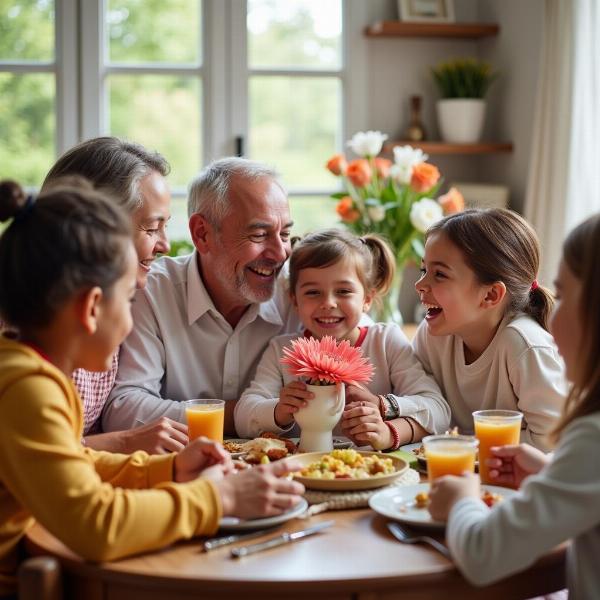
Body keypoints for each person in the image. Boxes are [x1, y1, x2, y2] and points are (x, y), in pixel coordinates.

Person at [0, 179, 304, 598]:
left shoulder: (29, 372)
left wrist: (169, 470)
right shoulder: (27, 389)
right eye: (127, 301)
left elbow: (77, 461)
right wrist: (218, 498)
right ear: (91, 308)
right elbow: (97, 525)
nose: (130, 321)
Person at [427, 213, 600, 599]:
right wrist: (552, 472)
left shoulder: (592, 439)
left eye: (566, 294)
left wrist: (462, 501)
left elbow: (482, 555)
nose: (551, 313)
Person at [103, 157, 298, 437]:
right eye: (258, 234)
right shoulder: (151, 290)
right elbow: (124, 411)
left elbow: (366, 345)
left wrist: (383, 407)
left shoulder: (303, 292)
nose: (280, 253)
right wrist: (252, 415)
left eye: (286, 233)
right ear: (202, 234)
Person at [234, 229, 450, 449]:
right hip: (302, 470)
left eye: (344, 291)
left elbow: (438, 410)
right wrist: (278, 410)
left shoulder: (385, 342)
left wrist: (384, 408)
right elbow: (242, 416)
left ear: (367, 299)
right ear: (294, 300)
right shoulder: (283, 350)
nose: (328, 303)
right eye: (312, 292)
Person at [42, 136, 188, 453]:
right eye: (152, 228)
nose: (164, 245)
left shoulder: (109, 306)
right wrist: (122, 442)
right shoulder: (22, 323)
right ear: (95, 227)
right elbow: (24, 459)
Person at [413, 209, 567, 451]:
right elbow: (421, 402)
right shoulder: (433, 335)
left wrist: (465, 447)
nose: (420, 285)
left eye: (439, 274)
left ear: (490, 294)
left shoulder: (524, 346)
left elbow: (552, 444)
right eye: (424, 271)